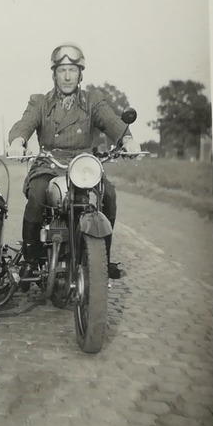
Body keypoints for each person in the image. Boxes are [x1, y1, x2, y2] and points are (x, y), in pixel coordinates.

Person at [9, 43, 132, 278]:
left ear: (80, 74)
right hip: (49, 163)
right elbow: (24, 123)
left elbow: (111, 121)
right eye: (62, 70)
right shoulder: (40, 102)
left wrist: (126, 139)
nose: (67, 76)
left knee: (109, 196)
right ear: (54, 74)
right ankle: (31, 259)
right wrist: (18, 141)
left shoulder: (93, 101)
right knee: (36, 196)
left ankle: (102, 259)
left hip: (84, 165)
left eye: (72, 70)